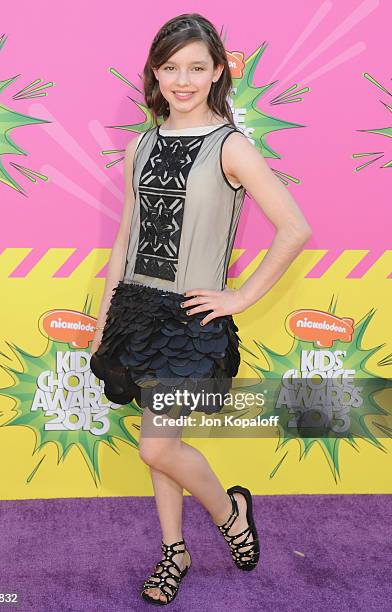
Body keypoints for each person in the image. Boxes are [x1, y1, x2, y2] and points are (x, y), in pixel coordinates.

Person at [90, 12, 312, 606]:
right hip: (135, 312)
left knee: (158, 445)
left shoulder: (230, 146)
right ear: (154, 73)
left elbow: (294, 228)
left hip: (190, 322)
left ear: (217, 71)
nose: (181, 80)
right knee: (158, 443)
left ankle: (230, 512)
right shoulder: (143, 143)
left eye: (195, 67)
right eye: (169, 68)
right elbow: (124, 240)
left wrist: (240, 297)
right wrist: (104, 317)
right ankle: (174, 550)